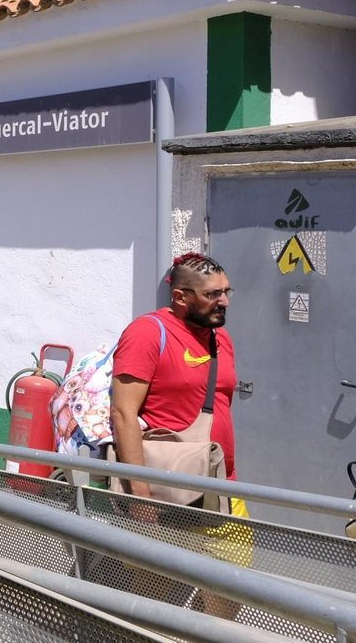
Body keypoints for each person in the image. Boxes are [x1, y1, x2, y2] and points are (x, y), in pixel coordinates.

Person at [110, 252, 244, 617]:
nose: (225, 301)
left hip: (222, 489)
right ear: (181, 297)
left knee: (230, 595)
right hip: (164, 493)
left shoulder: (221, 339)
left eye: (226, 291)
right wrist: (141, 496)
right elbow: (123, 413)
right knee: (155, 598)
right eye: (213, 294)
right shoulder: (147, 333)